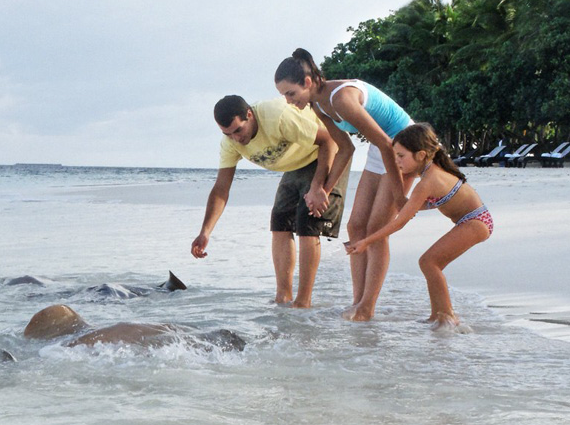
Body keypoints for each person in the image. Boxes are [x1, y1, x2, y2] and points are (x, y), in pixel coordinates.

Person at [274, 49, 413, 322]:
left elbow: (388, 143)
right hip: (380, 149)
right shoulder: (318, 105)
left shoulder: (342, 98)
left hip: (405, 146)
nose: (289, 101)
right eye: (284, 96)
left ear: (308, 82)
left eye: (291, 94)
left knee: (376, 229)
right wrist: (323, 189)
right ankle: (358, 302)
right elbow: (345, 148)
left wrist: (399, 196)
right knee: (355, 226)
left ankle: (367, 307)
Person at [191, 95, 344, 308]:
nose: (235, 138)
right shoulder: (230, 143)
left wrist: (318, 187)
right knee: (279, 221)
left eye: (238, 130)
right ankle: (283, 297)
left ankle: (303, 301)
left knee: (307, 221)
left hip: (326, 152)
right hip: (295, 163)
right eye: (227, 134)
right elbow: (220, 189)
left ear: (250, 115)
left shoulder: (277, 116)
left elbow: (329, 140)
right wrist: (205, 231)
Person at [345, 123, 492, 328]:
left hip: (476, 222)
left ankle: (447, 316)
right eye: (395, 155)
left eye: (401, 156)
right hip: (472, 220)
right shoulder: (430, 173)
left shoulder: (427, 181)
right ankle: (437, 315)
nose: (396, 161)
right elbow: (413, 208)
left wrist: (365, 242)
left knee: (429, 262)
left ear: (421, 155)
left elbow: (399, 223)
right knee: (429, 263)